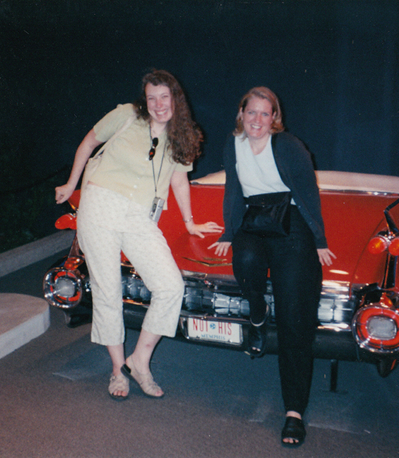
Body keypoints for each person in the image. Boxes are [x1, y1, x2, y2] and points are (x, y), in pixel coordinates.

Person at [56, 70, 223, 401]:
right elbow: (90, 142)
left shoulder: (184, 136)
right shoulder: (127, 116)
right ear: (144, 101)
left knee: (170, 286)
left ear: (176, 98)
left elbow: (178, 181)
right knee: (108, 289)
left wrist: (190, 223)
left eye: (165, 97)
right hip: (101, 203)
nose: (159, 105)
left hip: (140, 216)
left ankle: (139, 361)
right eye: (152, 98)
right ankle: (118, 370)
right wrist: (71, 184)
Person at [209, 87, 335, 447]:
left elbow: (308, 193)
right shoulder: (232, 145)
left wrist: (319, 241)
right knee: (244, 260)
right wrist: (229, 232)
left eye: (266, 114)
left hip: (291, 220)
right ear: (242, 113)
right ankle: (259, 310)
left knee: (295, 316)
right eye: (252, 113)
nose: (257, 121)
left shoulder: (289, 146)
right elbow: (233, 190)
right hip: (254, 219)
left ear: (274, 118)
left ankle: (293, 411)